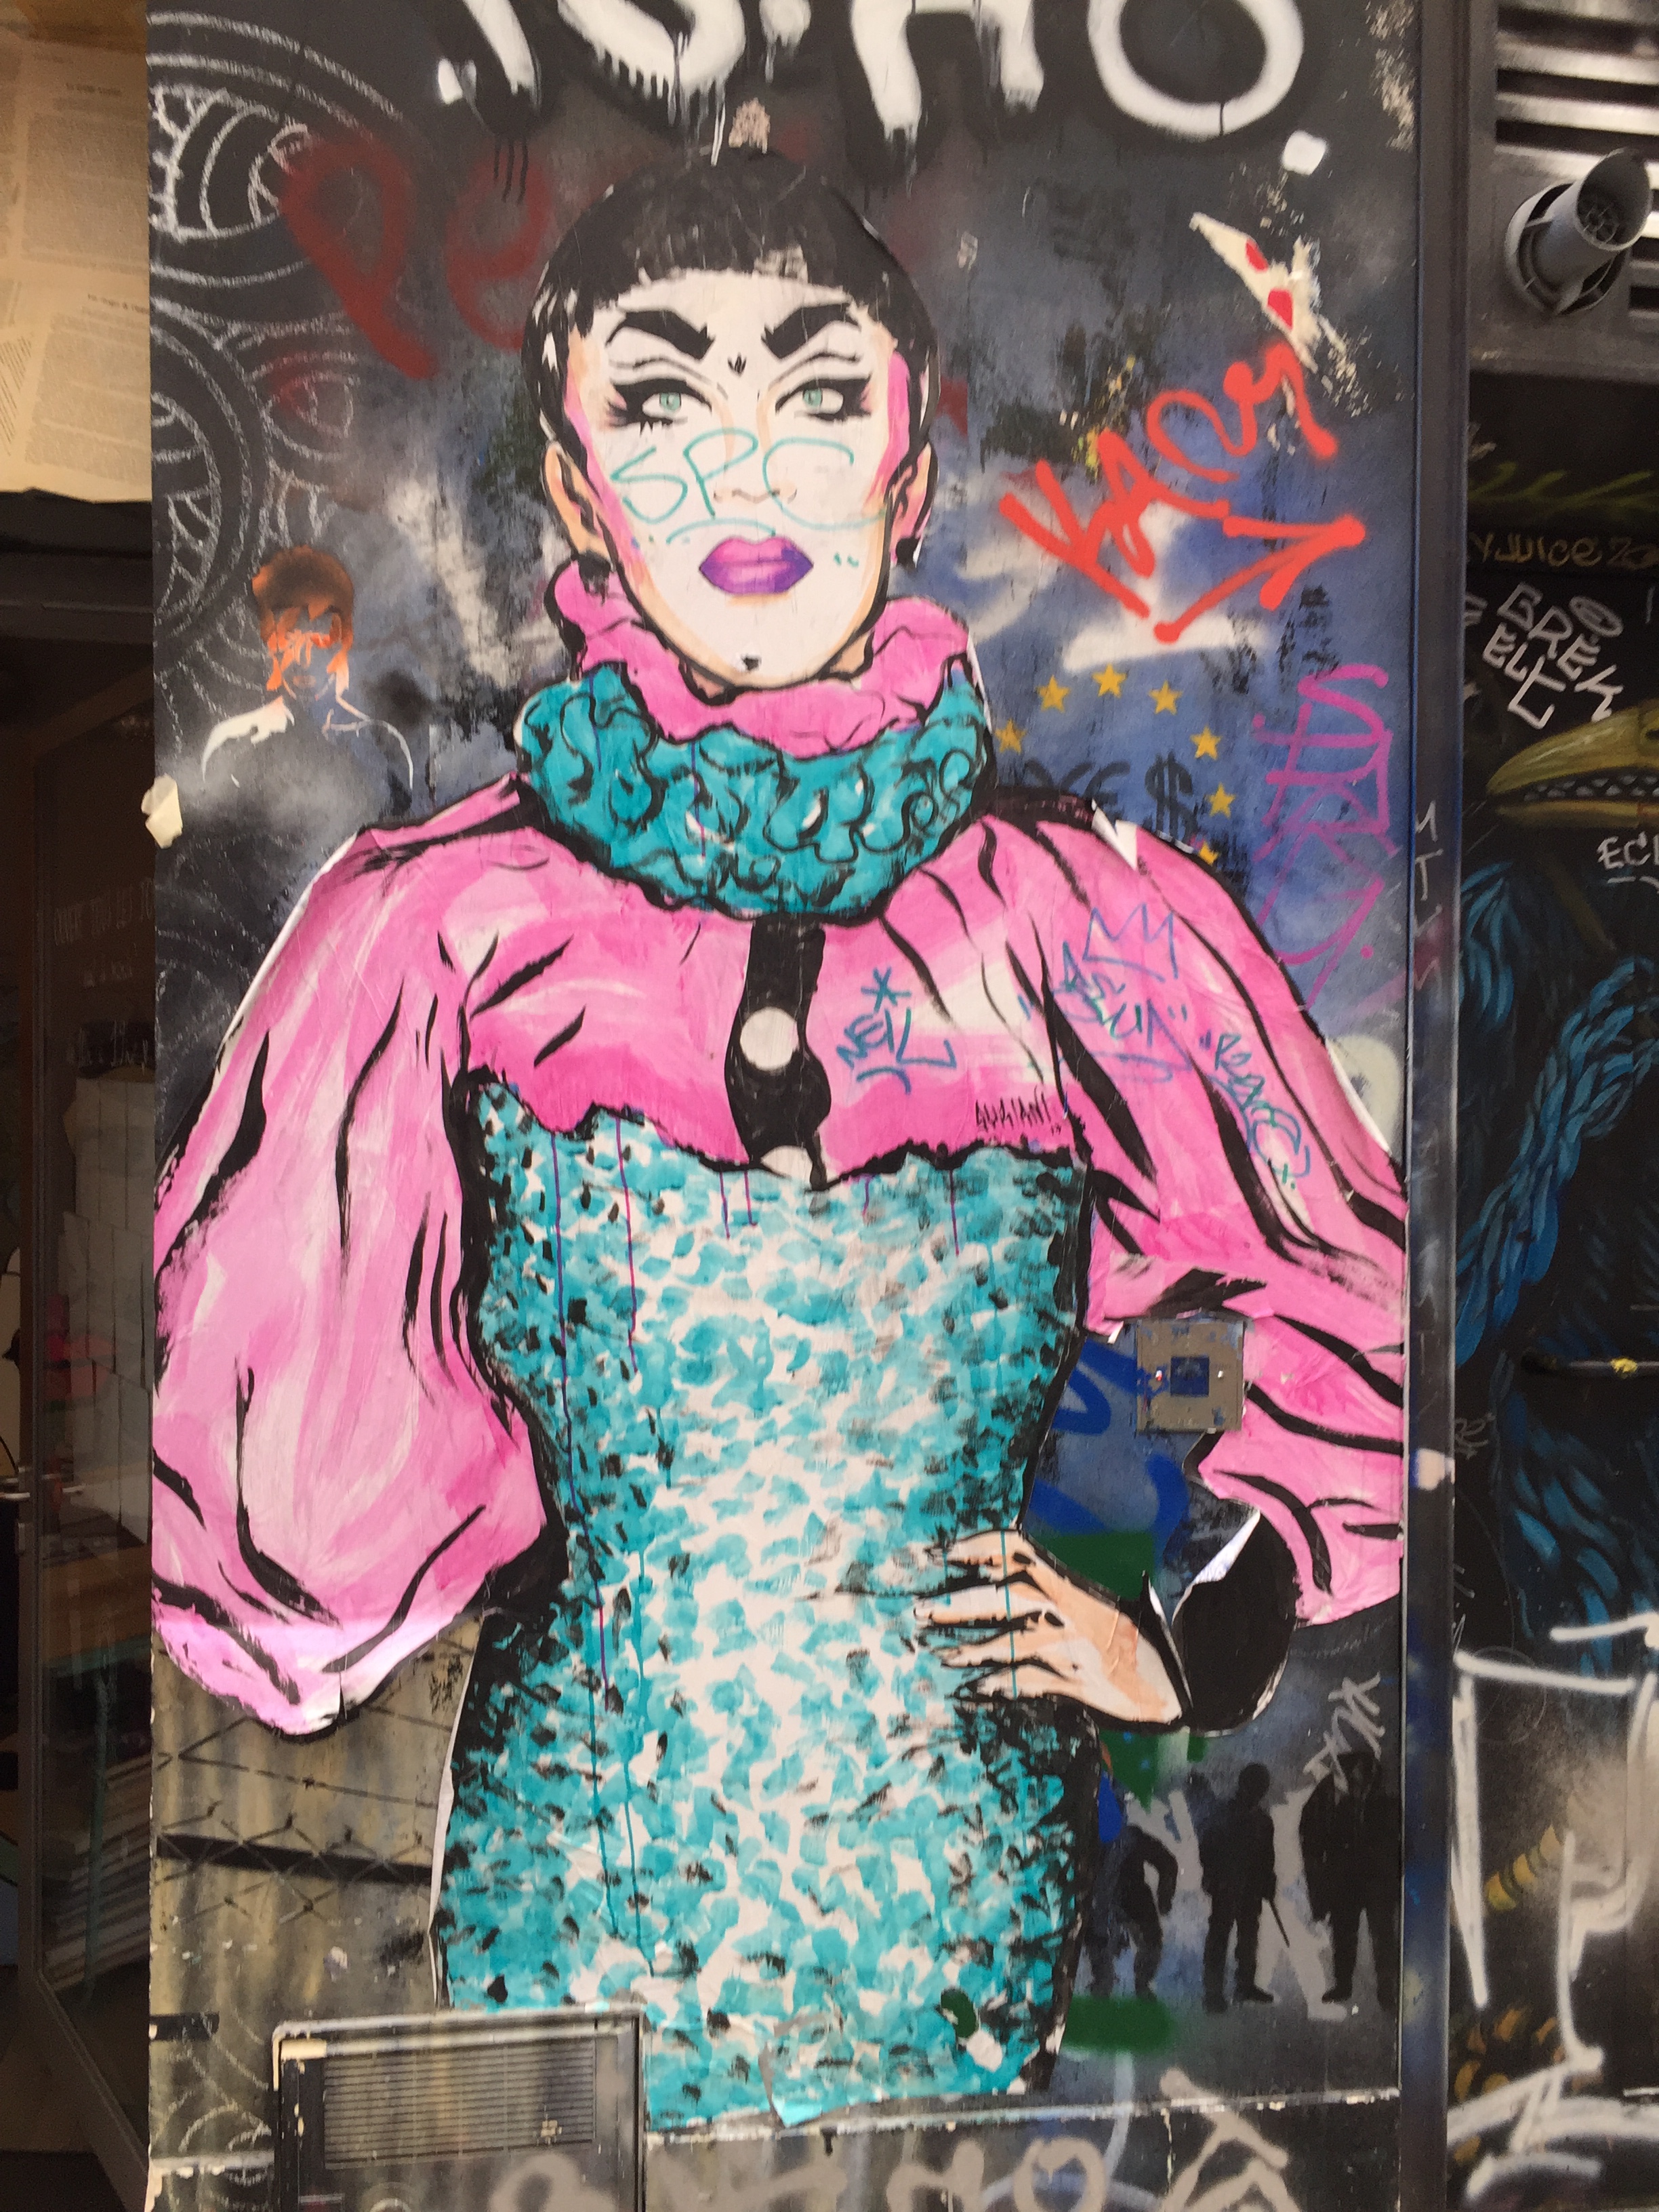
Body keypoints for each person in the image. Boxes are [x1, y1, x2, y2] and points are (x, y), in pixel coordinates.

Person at [150, 150, 1406, 2130]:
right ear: (575, 484)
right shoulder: (430, 929)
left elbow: (1341, 1308)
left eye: (814, 394)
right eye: (663, 398)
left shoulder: (1092, 921)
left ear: (905, 475)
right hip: (572, 1923)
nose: (744, 464)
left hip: (963, 1931)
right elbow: (272, 1517)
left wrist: (1191, 1636)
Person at [201, 546, 415, 823]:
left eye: (320, 640)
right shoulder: (230, 745)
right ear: (270, 645)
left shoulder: (384, 746)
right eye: (290, 639)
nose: (304, 658)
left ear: (345, 641)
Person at [1300, 1748, 1401, 2009]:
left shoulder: (1384, 1795)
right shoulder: (1328, 1795)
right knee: (1345, 1934)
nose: (1359, 1786)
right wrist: (1320, 1891)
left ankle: (1386, 1990)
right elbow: (1311, 1839)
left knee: (1382, 1936)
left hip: (1375, 1877)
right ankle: (1344, 1985)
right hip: (1345, 1876)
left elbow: (1399, 1839)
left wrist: (1393, 1873)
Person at [1201, 1764, 1277, 2012]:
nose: (1258, 1793)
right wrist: (1213, 1876)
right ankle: (1213, 1993)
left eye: (1261, 1789)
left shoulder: (1264, 1822)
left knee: (1248, 1937)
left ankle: (1245, 1985)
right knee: (1219, 1937)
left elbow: (1267, 1859)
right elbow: (1207, 1848)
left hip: (1251, 1889)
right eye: (1255, 1787)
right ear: (1244, 1786)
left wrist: (1268, 1882)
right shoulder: (1224, 1814)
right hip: (1226, 1885)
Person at [1086, 1822, 1179, 2000]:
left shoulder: (1131, 1837)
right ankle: (1107, 1987)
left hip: (1128, 1900)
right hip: (1109, 1903)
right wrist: (1165, 1899)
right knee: (1100, 1944)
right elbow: (1167, 1862)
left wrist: (1165, 1898)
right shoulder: (1127, 1837)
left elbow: (1167, 1862)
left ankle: (1130, 1986)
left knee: (1149, 1942)